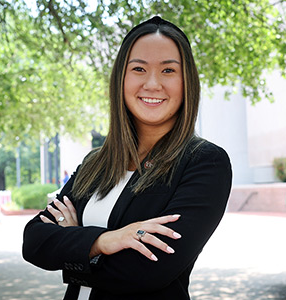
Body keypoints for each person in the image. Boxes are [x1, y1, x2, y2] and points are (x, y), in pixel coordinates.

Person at [22, 16, 232, 300]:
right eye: (139, 69)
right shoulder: (96, 162)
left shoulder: (204, 162)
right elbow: (34, 240)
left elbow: (148, 271)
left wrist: (74, 245)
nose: (153, 83)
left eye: (168, 70)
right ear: (121, 78)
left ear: (187, 82)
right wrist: (105, 240)